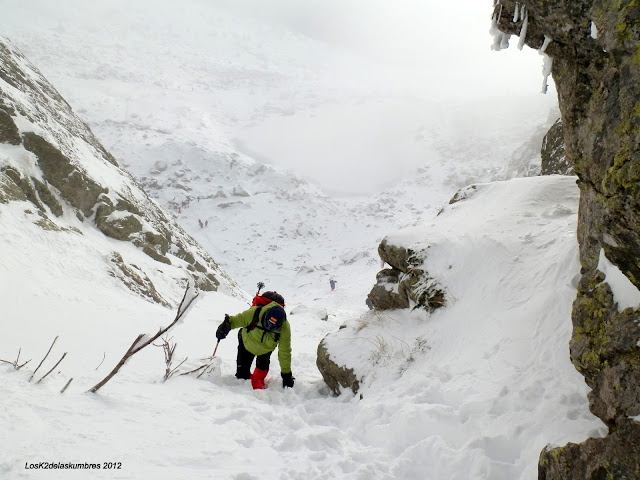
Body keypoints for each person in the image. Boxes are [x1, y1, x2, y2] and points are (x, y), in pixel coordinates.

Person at [216, 298, 294, 390]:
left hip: (266, 350)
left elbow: (284, 352)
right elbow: (235, 321)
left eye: (273, 327)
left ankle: (258, 383)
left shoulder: (284, 328)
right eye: (267, 324)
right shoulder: (254, 313)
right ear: (265, 316)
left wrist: (286, 374)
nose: (269, 327)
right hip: (246, 344)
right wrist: (224, 327)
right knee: (242, 377)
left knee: (260, 375)